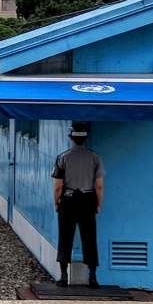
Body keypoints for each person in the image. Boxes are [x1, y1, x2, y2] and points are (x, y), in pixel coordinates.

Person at [52, 122, 105, 287]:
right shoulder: (95, 157)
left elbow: (58, 185)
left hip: (68, 200)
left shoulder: (63, 157)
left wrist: (56, 203)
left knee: (65, 237)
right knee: (89, 238)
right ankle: (93, 277)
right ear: (85, 138)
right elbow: (100, 185)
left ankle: (63, 276)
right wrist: (98, 204)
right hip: (88, 199)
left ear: (70, 138)